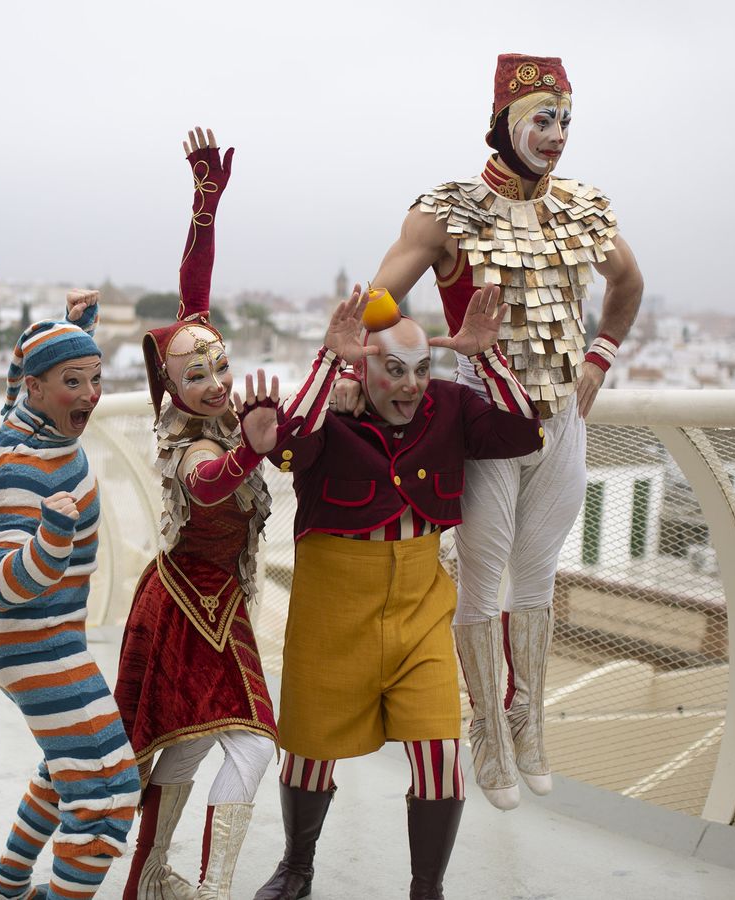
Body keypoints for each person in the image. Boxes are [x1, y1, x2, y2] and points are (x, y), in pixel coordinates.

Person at [337, 53, 644, 811]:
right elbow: (379, 301)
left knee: (537, 578)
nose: (558, 135)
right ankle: (487, 731)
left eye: (567, 120)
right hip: (480, 416)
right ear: (507, 120)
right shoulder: (447, 211)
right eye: (545, 118)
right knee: (481, 578)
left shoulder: (584, 208)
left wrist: (600, 360)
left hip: (562, 419)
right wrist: (417, 359)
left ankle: (527, 720)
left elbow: (629, 284)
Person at [256, 287, 543, 900]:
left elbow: (523, 431)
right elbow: (283, 445)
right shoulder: (328, 411)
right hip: (333, 612)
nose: (411, 386)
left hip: (419, 610)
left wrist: (484, 358)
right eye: (394, 370)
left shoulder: (451, 408)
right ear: (365, 368)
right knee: (309, 751)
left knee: (441, 757)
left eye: (421, 370)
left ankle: (426, 890)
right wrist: (329, 361)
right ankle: (297, 868)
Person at [113, 128, 290, 900]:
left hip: (205, 602)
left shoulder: (208, 399)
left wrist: (205, 208)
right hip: (190, 605)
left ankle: (152, 879)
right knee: (250, 746)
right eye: (198, 373)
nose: (217, 379)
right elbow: (211, 485)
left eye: (220, 362)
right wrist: (250, 449)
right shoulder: (186, 439)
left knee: (184, 751)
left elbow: (194, 291)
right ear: (174, 388)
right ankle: (209, 891)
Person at [0, 292, 142, 900]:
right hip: (33, 643)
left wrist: (75, 332)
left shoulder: (29, 419)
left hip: (55, 638)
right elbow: (0, 584)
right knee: (108, 790)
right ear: (38, 391)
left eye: (95, 379)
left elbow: (22, 377)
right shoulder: (14, 468)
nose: (91, 395)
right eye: (75, 381)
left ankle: (5, 887)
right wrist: (52, 538)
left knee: (67, 764)